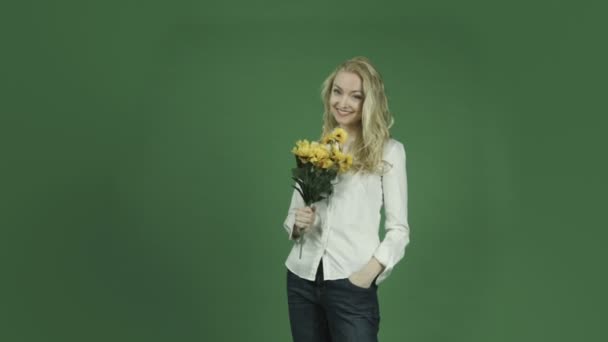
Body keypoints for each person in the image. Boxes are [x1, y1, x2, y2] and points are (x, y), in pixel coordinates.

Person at [282, 56, 411, 342]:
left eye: (356, 96)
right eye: (337, 91)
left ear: (370, 102)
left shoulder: (389, 152)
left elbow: (399, 231)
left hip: (351, 283)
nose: (343, 102)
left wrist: (365, 276)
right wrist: (298, 223)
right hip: (302, 280)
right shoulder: (316, 149)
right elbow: (293, 217)